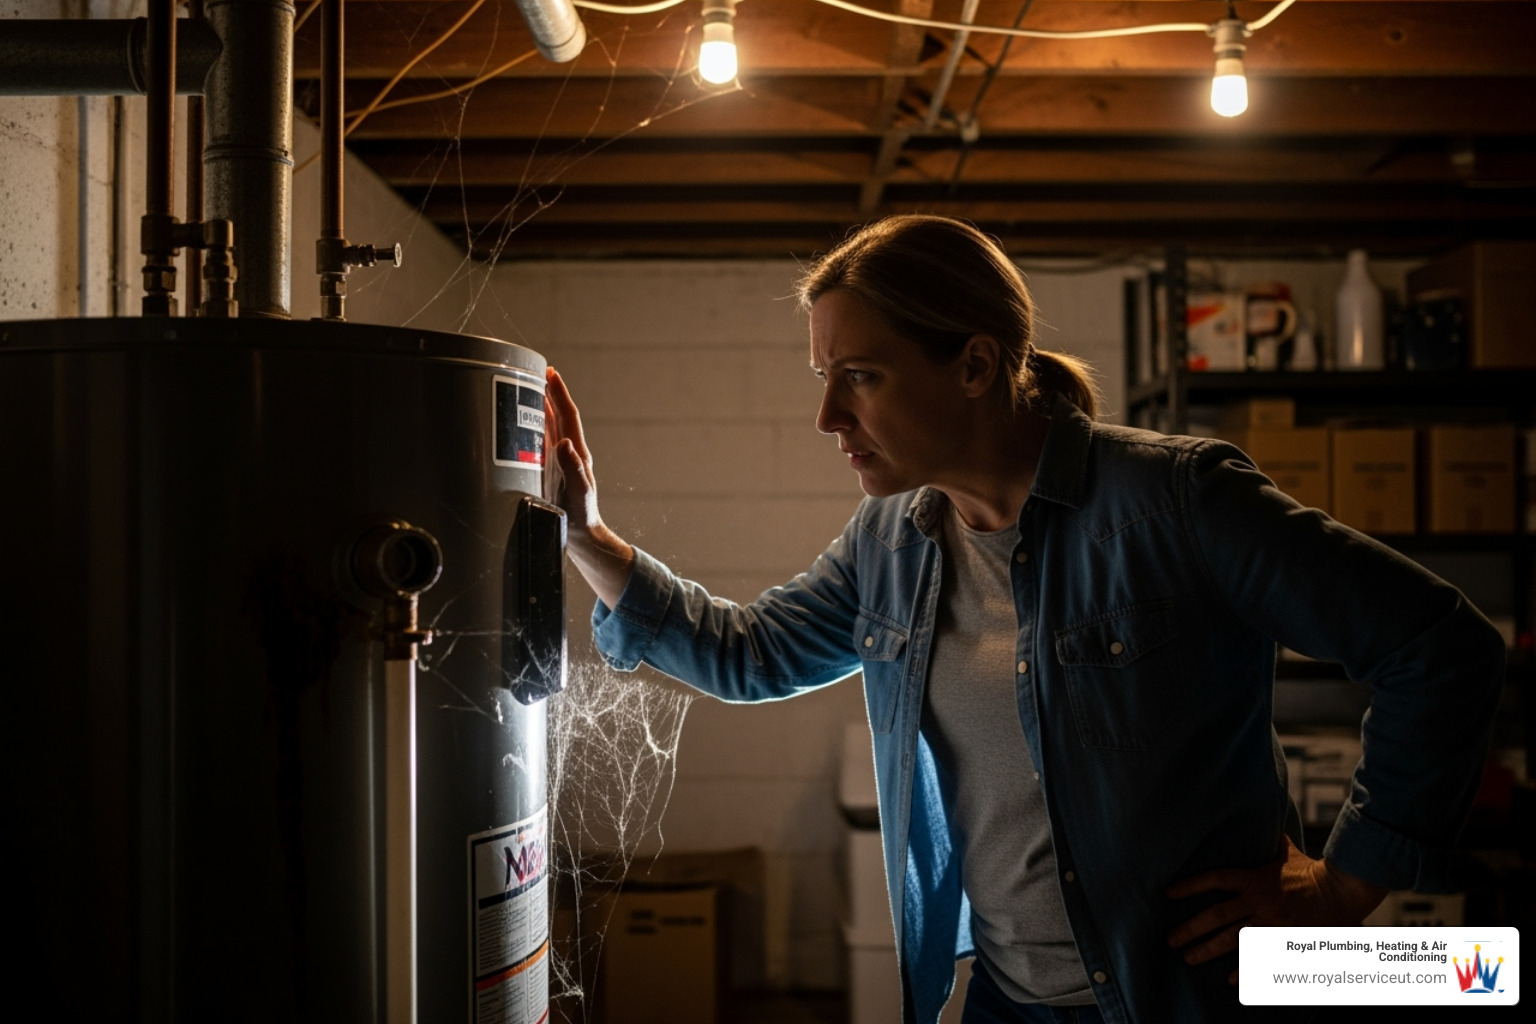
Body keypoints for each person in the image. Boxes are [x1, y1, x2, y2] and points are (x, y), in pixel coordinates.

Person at [541, 215, 1505, 1024]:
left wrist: (1346, 885)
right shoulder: (891, 542)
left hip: (1188, 998)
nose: (828, 415)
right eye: (822, 376)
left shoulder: (1177, 503)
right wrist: (585, 533)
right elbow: (747, 653)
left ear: (974, 365)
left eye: (861, 376)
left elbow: (1440, 647)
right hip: (1007, 1000)